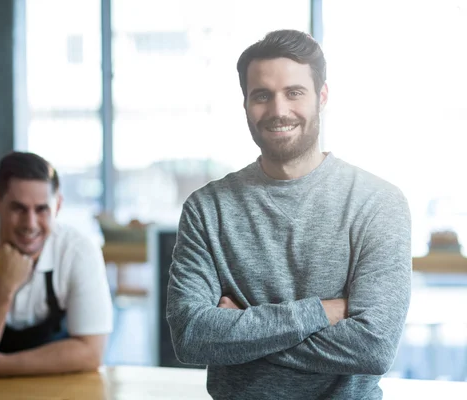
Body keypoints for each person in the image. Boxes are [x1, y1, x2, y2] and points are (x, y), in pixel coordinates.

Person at [166, 29, 411, 400]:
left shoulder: (377, 203)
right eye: (262, 95)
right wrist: (320, 313)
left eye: (294, 92)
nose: (279, 111)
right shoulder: (207, 209)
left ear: (321, 97)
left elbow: (372, 347)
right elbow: (191, 337)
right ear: (246, 103)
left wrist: (241, 331)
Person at [0, 151, 113, 378]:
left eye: (42, 209)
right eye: (18, 208)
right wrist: (5, 286)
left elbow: (91, 352)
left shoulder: (79, 252)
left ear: (58, 205)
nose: (30, 224)